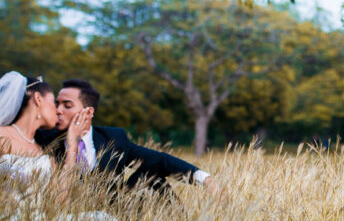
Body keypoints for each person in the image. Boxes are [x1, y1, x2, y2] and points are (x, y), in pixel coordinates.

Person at [0, 71, 148, 221]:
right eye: (53, 103)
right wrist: (15, 212)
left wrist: (72, 145)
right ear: (38, 100)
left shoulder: (44, 152)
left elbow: (61, 204)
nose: (58, 111)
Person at [35, 79, 218, 195]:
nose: (58, 110)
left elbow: (158, 160)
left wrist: (204, 179)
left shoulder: (113, 137)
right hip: (66, 216)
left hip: (113, 217)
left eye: (67, 105)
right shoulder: (44, 139)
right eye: (57, 104)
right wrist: (71, 142)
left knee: (151, 175)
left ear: (88, 111)